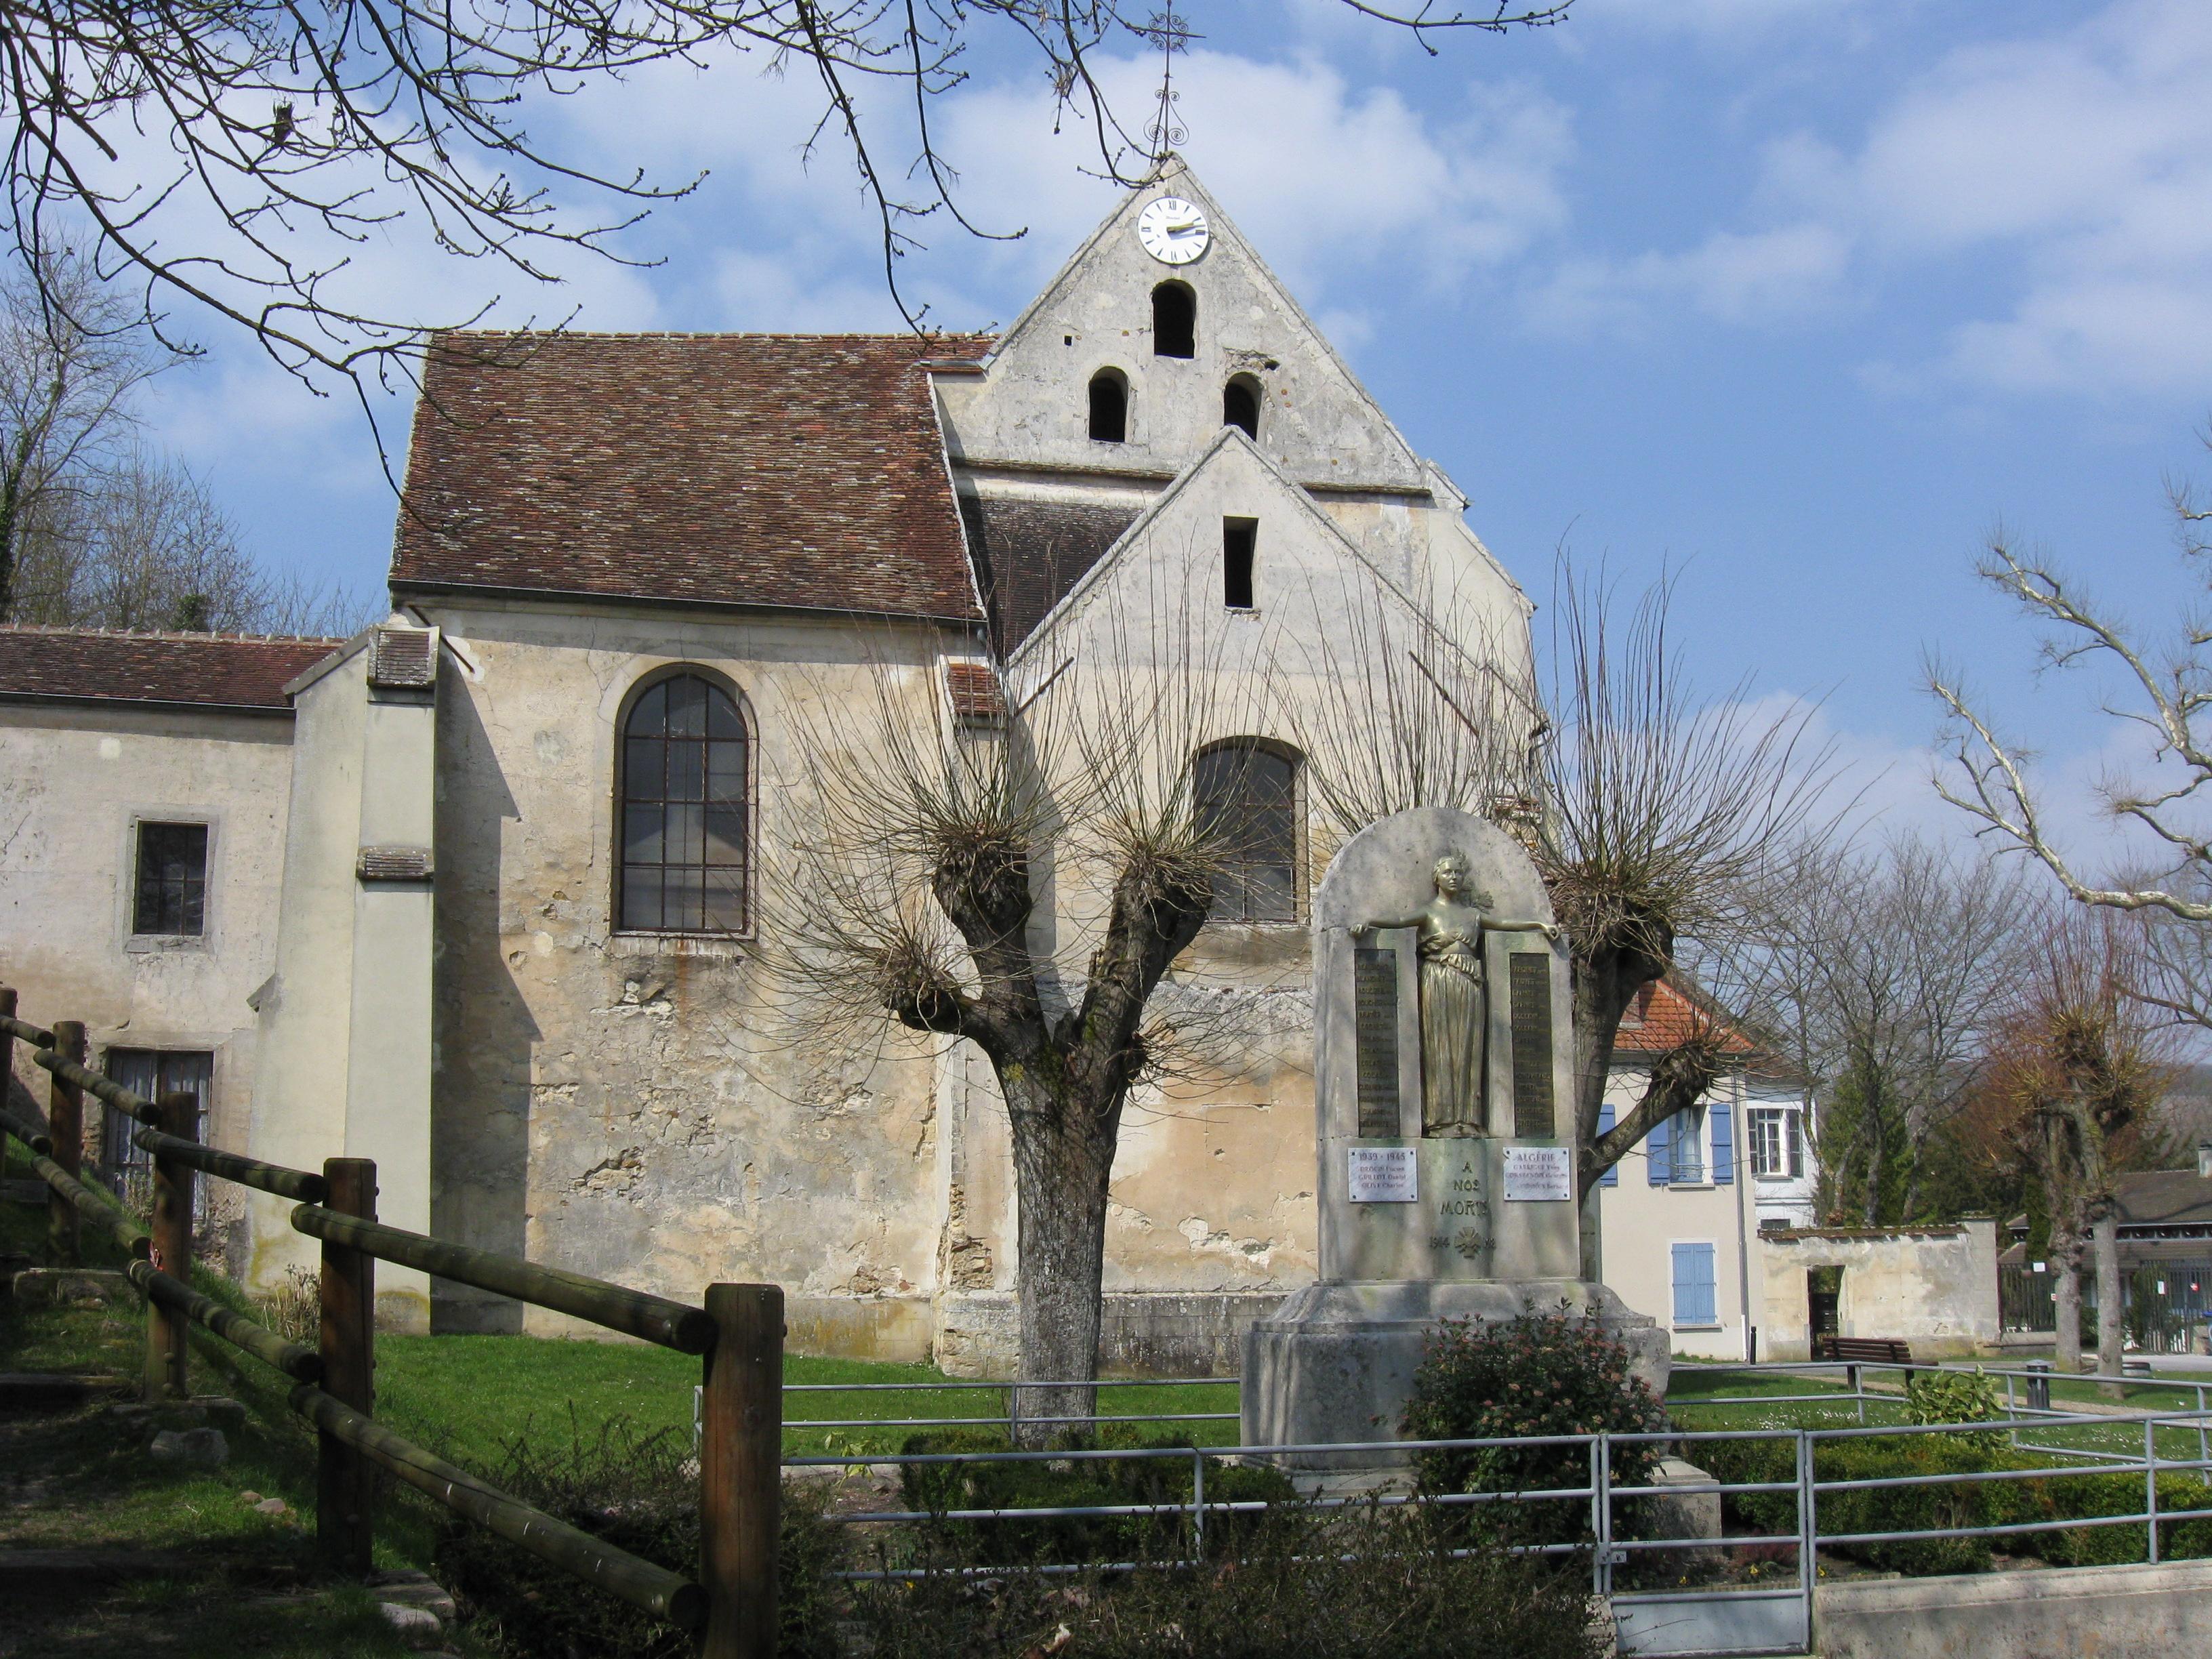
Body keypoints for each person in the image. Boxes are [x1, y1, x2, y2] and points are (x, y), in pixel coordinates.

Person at [1357, 853, 1557, 1136]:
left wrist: (1539, 925)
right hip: (1438, 979)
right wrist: (1369, 921)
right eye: (1448, 872)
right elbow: (1400, 920)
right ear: (1436, 878)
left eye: (1458, 873)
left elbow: (1504, 924)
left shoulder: (1472, 915)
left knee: (1469, 1049)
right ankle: (1441, 1120)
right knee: (1440, 1047)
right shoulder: (1429, 913)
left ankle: (1468, 1120)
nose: (1454, 877)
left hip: (1469, 983)